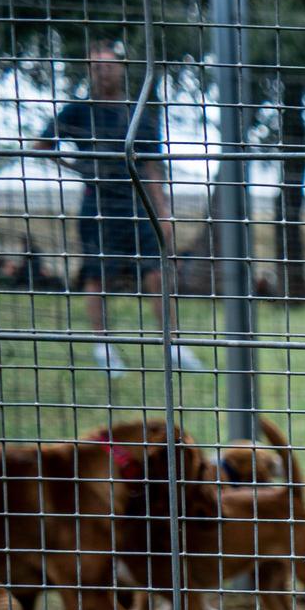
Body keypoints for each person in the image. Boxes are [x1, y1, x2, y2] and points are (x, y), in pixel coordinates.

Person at [34, 44, 203, 375]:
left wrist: (163, 212)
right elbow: (41, 146)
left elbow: (153, 167)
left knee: (157, 273)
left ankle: (173, 344)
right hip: (97, 204)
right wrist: (77, 166)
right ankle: (104, 347)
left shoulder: (138, 113)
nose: (103, 72)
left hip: (137, 205)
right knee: (97, 276)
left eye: (108, 66)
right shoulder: (77, 112)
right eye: (96, 67)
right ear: (89, 71)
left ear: (122, 68)